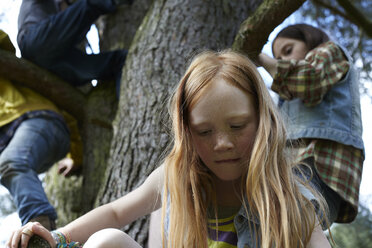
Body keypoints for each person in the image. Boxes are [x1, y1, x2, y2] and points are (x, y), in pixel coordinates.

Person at [7, 50, 331, 248]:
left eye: (237, 126)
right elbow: (116, 212)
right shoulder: (177, 177)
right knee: (107, 241)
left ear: (263, 121)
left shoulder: (289, 196)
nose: (222, 143)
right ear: (187, 132)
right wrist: (58, 237)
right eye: (204, 131)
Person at [258, 23, 365, 226]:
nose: (283, 61)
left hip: (322, 162)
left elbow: (310, 80)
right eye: (279, 59)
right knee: (283, 227)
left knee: (294, 220)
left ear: (309, 38)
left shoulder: (329, 52)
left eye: (288, 51)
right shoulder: (287, 92)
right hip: (294, 166)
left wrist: (261, 59)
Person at [0, 29, 82, 231]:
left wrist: (77, 155)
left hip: (40, 120)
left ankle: (38, 226)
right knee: (10, 163)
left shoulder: (8, 80)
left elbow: (3, 41)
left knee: (12, 162)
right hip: (28, 145)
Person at [17, 0, 133, 96]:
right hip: (34, 43)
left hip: (54, 65)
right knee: (91, 4)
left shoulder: (63, 21)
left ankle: (131, 114)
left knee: (119, 61)